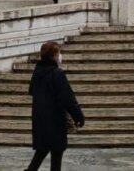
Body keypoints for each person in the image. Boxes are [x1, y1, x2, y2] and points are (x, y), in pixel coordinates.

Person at [26, 41, 84, 171]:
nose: (60, 56)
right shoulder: (57, 74)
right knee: (56, 155)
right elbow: (68, 98)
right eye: (58, 53)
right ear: (54, 56)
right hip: (55, 119)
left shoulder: (37, 72)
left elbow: (31, 91)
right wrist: (78, 116)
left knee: (42, 150)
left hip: (40, 118)